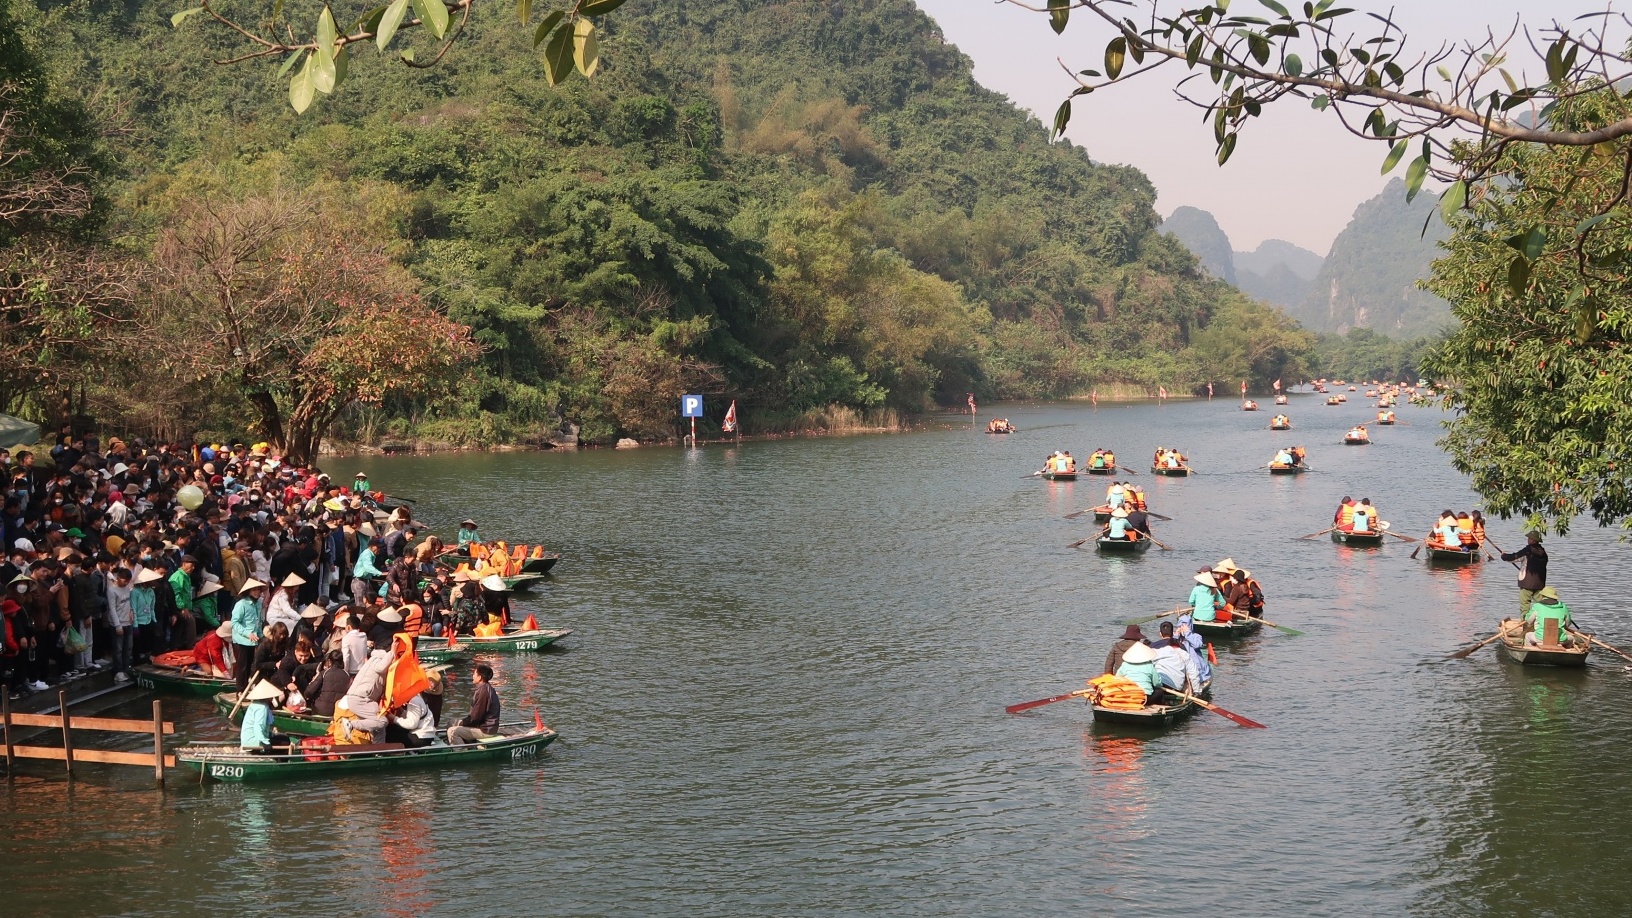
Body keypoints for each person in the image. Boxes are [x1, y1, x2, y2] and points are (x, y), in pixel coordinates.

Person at [449, 663, 502, 745]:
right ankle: (467, 743)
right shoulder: (485, 688)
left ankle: (462, 752)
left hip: (485, 730)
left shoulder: (483, 691)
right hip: (485, 726)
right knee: (451, 722)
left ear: (480, 677)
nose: (472, 676)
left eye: (474, 674)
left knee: (452, 731)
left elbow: (476, 717)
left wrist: (462, 723)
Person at [230, 578, 267, 691]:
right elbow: (234, 622)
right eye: (254, 590)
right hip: (242, 640)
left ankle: (246, 688)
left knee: (251, 664)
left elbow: (258, 622)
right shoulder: (241, 604)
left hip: (254, 639)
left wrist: (261, 636)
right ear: (249, 591)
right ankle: (240, 690)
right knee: (242, 667)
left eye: (258, 590)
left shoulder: (259, 603)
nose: (256, 592)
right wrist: (247, 634)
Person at [1500, 532, 1549, 614]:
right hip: (1540, 584)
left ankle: (1525, 624)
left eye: (1529, 538)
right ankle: (1543, 621)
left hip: (1527, 583)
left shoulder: (1528, 551)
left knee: (1525, 605)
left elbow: (1514, 557)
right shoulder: (1544, 553)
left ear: (1533, 541)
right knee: (1541, 604)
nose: (1528, 540)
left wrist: (1504, 556)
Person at [239, 679, 290, 753]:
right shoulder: (261, 708)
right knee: (285, 742)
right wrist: (265, 742)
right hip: (253, 742)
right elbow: (258, 726)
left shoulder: (255, 704)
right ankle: (280, 762)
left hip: (250, 740)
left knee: (284, 738)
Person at [106, 566, 135, 682]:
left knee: (128, 648)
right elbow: (112, 609)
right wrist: (117, 625)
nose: (126, 583)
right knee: (118, 649)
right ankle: (118, 671)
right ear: (118, 578)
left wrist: (132, 611)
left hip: (128, 622)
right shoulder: (111, 590)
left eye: (128, 581)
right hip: (118, 623)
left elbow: (129, 603)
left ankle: (126, 669)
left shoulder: (127, 588)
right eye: (124, 580)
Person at [308, 649, 351, 717]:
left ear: (329, 661)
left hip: (321, 710)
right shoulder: (347, 675)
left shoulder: (324, 673)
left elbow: (309, 691)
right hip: (338, 711)